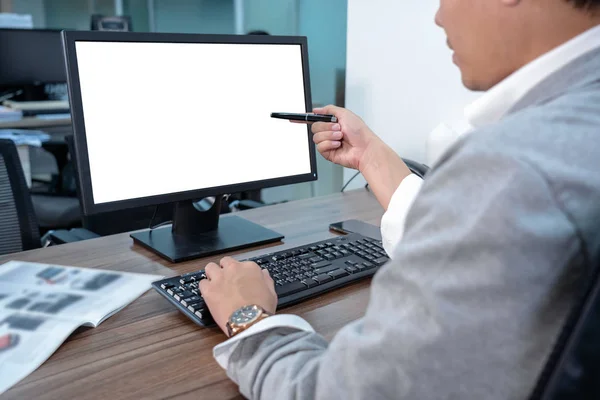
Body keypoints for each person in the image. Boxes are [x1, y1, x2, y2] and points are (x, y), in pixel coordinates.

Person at [199, 0, 600, 398]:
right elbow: (497, 243)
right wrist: (369, 155)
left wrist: (248, 321)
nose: (439, 16)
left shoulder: (516, 164)